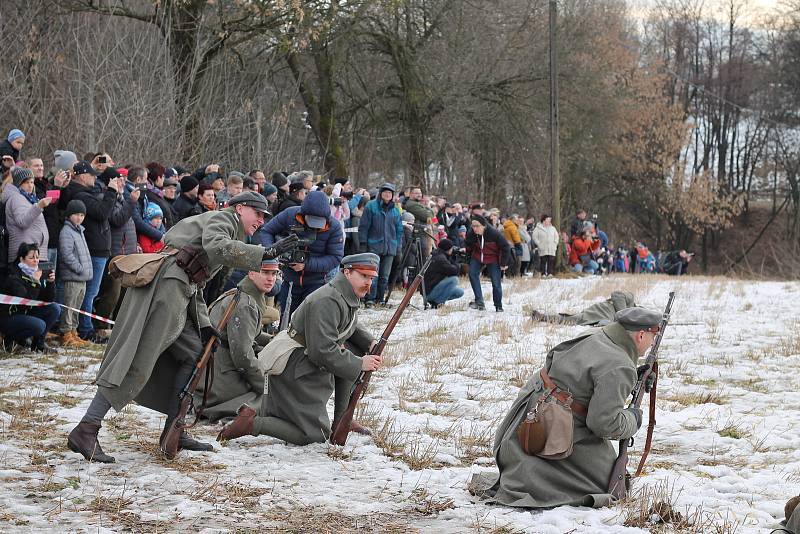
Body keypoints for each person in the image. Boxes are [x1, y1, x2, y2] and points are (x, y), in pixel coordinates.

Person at [66, 192, 299, 463]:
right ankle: (87, 428)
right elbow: (216, 248)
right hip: (166, 288)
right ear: (240, 208)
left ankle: (174, 430)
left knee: (195, 355)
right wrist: (265, 253)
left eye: (264, 217)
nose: (260, 221)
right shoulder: (223, 219)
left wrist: (203, 324)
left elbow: (195, 280)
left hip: (179, 289)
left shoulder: (231, 229)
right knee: (137, 358)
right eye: (257, 214)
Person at [471, 307, 662, 509]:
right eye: (652, 338)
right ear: (641, 335)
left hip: (528, 417)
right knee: (607, 485)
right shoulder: (619, 365)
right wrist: (633, 418)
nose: (652, 345)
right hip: (553, 428)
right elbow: (604, 424)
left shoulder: (596, 334)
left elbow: (585, 381)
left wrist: (632, 379)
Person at [216, 253, 381, 445]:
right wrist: (359, 363)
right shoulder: (328, 300)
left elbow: (348, 323)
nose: (368, 283)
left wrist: (369, 343)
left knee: (353, 349)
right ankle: (253, 423)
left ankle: (342, 419)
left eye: (371, 278)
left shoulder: (345, 294)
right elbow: (321, 351)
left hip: (304, 360)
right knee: (314, 435)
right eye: (363, 276)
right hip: (295, 367)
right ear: (347, 273)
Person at [193, 259, 281, 421]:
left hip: (215, 367)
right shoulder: (245, 304)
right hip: (218, 376)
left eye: (274, 273)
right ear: (251, 273)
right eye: (265, 272)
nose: (271, 278)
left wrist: (275, 341)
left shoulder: (240, 293)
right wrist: (264, 386)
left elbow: (249, 334)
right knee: (273, 399)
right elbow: (242, 356)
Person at [60, 161, 121, 343]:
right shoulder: (81, 195)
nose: (95, 177)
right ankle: (85, 329)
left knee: (89, 293)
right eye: (91, 174)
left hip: (97, 248)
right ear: (81, 175)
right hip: (94, 249)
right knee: (87, 293)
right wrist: (111, 192)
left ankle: (81, 329)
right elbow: (103, 213)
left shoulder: (88, 193)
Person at [260, 190, 344, 316]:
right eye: (312, 220)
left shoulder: (334, 227)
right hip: (289, 279)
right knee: (287, 317)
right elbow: (266, 231)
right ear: (303, 213)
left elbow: (335, 257)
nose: (315, 226)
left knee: (310, 318)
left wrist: (306, 264)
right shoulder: (290, 215)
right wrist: (274, 253)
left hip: (317, 282)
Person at [0, 243, 59, 353]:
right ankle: (10, 341)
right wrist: (35, 283)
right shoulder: (13, 275)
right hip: (9, 316)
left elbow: (47, 300)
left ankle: (38, 344)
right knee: (39, 325)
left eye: (37, 257)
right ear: (22, 259)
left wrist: (51, 283)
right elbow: (26, 300)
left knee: (54, 308)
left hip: (26, 312)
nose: (36, 261)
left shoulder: (36, 272)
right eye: (31, 257)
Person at [358, 183, 403, 307]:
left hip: (390, 247)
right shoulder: (371, 206)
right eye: (385, 192)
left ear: (392, 195)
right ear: (381, 193)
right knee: (373, 275)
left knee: (384, 275)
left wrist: (398, 246)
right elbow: (364, 226)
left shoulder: (395, 210)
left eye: (390, 193)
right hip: (373, 246)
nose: (387, 194)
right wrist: (363, 243)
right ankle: (370, 299)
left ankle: (380, 299)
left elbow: (399, 230)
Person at [57, 201, 93, 349]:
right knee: (69, 306)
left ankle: (74, 332)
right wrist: (79, 268)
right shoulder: (66, 231)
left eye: (82, 215)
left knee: (77, 306)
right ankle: (66, 333)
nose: (79, 218)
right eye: (76, 215)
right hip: (73, 276)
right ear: (69, 215)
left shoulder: (79, 231)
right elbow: (66, 254)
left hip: (82, 277)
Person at [2, 167, 51, 261]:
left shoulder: (29, 198)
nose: (30, 185)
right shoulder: (17, 198)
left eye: (32, 182)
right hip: (25, 254)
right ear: (18, 184)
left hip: (32, 253)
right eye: (26, 182)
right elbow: (22, 222)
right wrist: (39, 206)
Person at [466, 215, 511, 312]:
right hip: (478, 256)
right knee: (472, 273)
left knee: (496, 282)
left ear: (484, 226)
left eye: (477, 226)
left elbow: (506, 247)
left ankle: (498, 305)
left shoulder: (494, 233)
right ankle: (479, 301)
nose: (475, 228)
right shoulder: (471, 234)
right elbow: (468, 246)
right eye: (473, 226)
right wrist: (468, 257)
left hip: (492, 258)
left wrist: (503, 263)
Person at [531, 291, 636, 326]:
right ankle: (543, 317)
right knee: (570, 319)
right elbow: (617, 294)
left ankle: (543, 317)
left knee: (570, 320)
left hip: (600, 320)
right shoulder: (630, 300)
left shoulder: (630, 323)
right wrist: (623, 315)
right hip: (598, 311)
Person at [423, 239, 464, 308]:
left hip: (431, 289)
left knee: (459, 292)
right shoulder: (440, 259)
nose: (452, 250)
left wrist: (451, 257)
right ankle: (438, 303)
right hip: (430, 293)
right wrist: (456, 261)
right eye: (451, 248)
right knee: (454, 280)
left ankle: (436, 301)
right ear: (447, 249)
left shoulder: (438, 254)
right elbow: (454, 272)